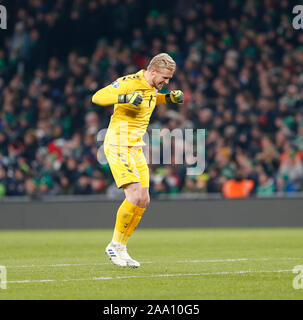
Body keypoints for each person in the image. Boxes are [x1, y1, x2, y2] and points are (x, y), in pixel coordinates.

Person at [92, 53, 184, 267]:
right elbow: (97, 97)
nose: (166, 82)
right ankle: (113, 245)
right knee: (133, 194)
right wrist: (123, 98)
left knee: (144, 199)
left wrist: (169, 97)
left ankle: (122, 247)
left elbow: (150, 99)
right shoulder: (129, 82)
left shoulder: (153, 88)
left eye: (169, 79)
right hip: (118, 143)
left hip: (135, 147)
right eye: (165, 78)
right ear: (152, 71)